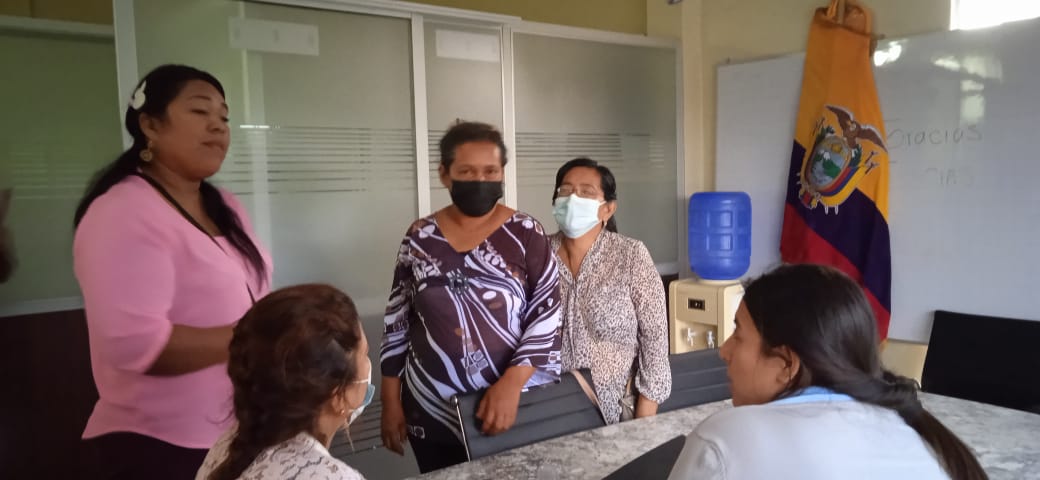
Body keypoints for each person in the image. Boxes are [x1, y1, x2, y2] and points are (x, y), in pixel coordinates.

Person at [74, 64, 271, 479]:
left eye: (224, 117)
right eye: (200, 111)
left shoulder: (226, 206)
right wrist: (263, 334)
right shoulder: (122, 211)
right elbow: (136, 344)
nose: (218, 127)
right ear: (150, 125)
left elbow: (253, 297)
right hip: (161, 446)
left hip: (236, 431)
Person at [668, 264, 987, 480]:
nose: (724, 350)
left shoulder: (724, 440)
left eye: (738, 334)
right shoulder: (920, 438)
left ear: (787, 364)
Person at [380, 121, 562, 472]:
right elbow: (397, 321)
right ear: (444, 174)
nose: (480, 180)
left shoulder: (525, 233)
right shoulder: (419, 236)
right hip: (432, 406)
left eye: (490, 171)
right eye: (466, 171)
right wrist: (390, 400)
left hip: (508, 408)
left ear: (502, 173)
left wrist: (511, 384)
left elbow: (546, 313)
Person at [196, 284, 370, 480]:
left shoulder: (228, 445)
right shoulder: (334, 477)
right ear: (338, 396)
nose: (368, 364)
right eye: (365, 354)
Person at [548, 157, 670, 423]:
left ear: (608, 209)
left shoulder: (630, 255)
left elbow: (655, 340)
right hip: (552, 411)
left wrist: (643, 421)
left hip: (616, 412)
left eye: (586, 192)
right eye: (565, 191)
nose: (573, 199)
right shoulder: (538, 256)